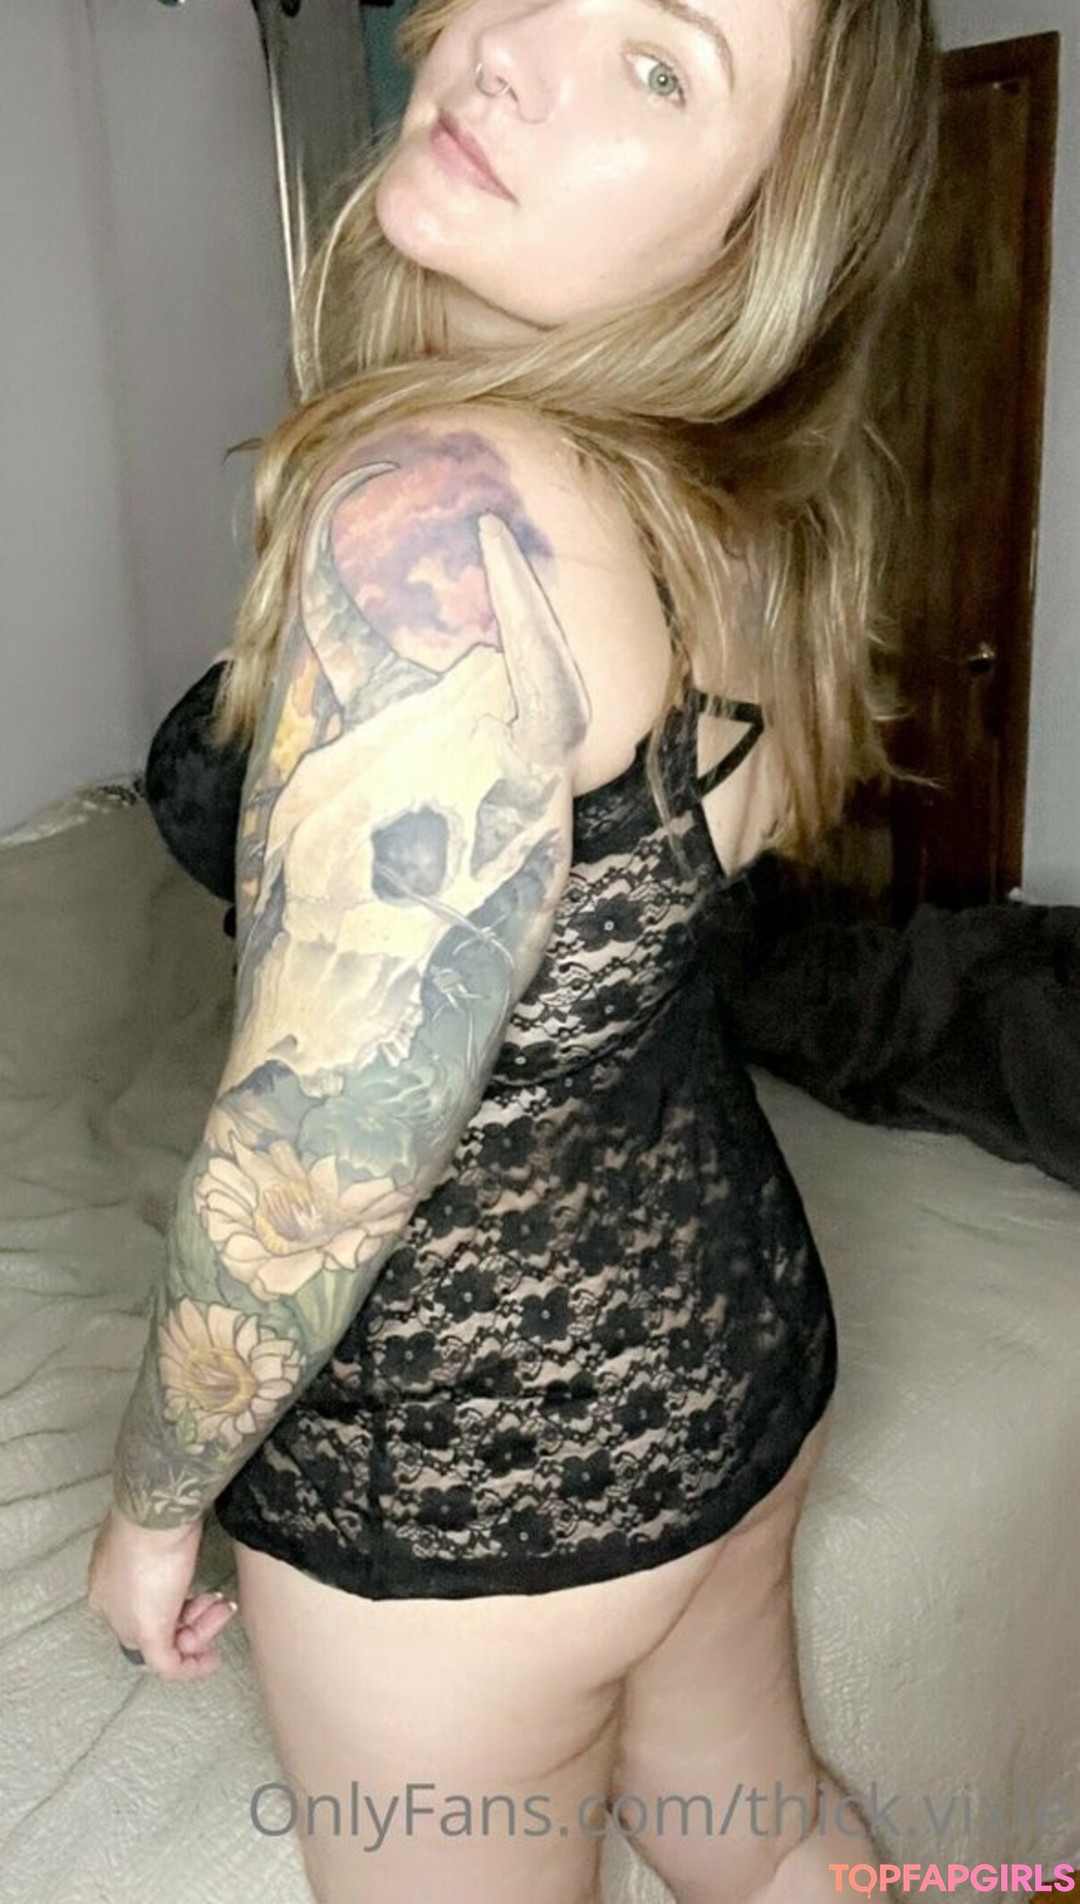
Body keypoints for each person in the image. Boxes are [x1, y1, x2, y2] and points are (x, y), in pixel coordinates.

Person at [87, 0, 939, 1899]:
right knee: (780, 1849)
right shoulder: (740, 504)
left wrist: (153, 1504)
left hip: (478, 1488)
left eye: (662, 65)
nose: (516, 48)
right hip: (734, 1350)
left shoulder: (438, 521)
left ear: (758, 234)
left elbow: (319, 1154)